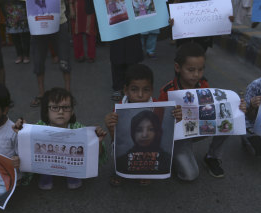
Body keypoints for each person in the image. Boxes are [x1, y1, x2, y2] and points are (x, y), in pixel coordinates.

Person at [159, 42, 247, 179]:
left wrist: (237, 108)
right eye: (191, 70)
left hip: (199, 128)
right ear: (178, 67)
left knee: (227, 122)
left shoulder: (203, 84)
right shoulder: (167, 91)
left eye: (200, 70)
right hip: (178, 137)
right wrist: (172, 116)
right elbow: (158, 121)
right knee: (189, 175)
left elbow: (214, 108)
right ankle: (172, 154)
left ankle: (212, 156)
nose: (196, 75)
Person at [105, 64, 181, 185]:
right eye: (134, 89)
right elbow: (116, 139)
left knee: (154, 150)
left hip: (152, 147)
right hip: (128, 147)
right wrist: (110, 126)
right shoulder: (120, 109)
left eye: (146, 90)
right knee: (118, 149)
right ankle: (120, 171)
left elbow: (168, 128)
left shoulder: (158, 107)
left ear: (151, 90)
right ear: (126, 90)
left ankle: (146, 171)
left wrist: (176, 117)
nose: (140, 95)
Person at [26, 87, 107, 190]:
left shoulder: (79, 129)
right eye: (55, 107)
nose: (60, 111)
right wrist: (21, 130)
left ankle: (73, 175)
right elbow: (26, 145)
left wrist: (97, 142)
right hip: (47, 161)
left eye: (66, 107)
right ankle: (46, 175)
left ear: (72, 111)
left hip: (70, 162)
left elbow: (97, 155)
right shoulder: (38, 128)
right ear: (46, 111)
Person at [101, 0, 144, 101]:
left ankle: (132, 85)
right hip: (117, 28)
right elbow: (102, 3)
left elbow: (145, 1)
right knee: (117, 58)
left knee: (133, 57)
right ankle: (118, 87)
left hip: (133, 28)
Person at [115, 110, 172, 175]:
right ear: (133, 133)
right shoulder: (121, 162)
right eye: (139, 130)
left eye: (151, 129)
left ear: (157, 132)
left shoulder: (167, 161)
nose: (144, 135)